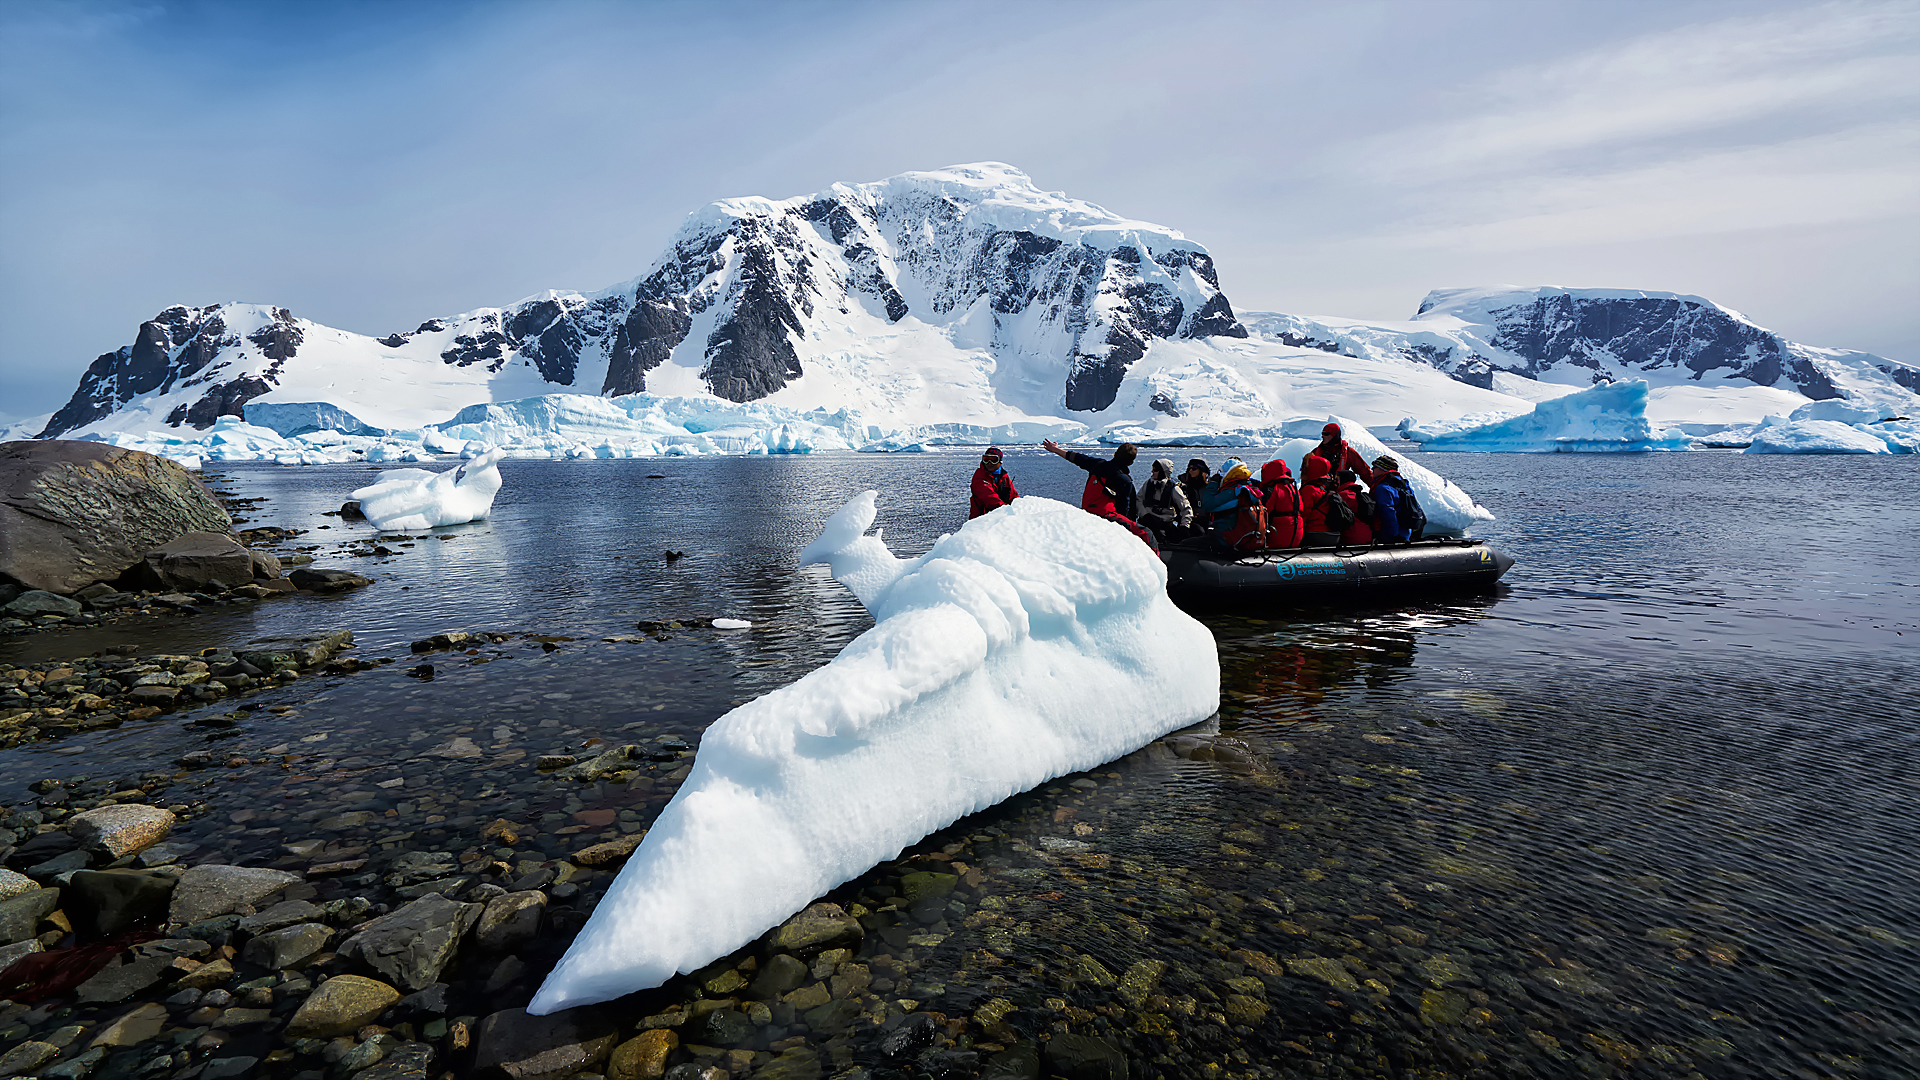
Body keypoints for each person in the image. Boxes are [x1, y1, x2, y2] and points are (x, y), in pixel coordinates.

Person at [1042, 439, 1139, 521]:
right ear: (1131, 462)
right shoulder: (1125, 480)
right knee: (1147, 533)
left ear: (1115, 454)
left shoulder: (1097, 464)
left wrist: (1056, 449)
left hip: (1088, 512)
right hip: (1107, 517)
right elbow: (1125, 508)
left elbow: (1076, 458)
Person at [1200, 458, 1266, 551]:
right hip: (1248, 538)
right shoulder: (1250, 489)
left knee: (1187, 543)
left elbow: (1208, 505)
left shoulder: (1232, 492)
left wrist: (1213, 484)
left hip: (1229, 540)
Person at [1138, 458, 1193, 543]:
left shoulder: (1173, 488)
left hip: (1164, 525)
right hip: (1147, 522)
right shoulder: (1148, 484)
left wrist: (1185, 526)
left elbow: (1186, 508)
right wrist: (1144, 515)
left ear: (1163, 471)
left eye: (1155, 470)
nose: (1152, 472)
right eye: (1152, 469)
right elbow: (1138, 500)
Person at [1303, 422, 1375, 487]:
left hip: (1340, 493)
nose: (1322, 436)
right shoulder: (1316, 452)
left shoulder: (1348, 452)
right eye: (1322, 433)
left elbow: (1364, 472)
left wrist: (1375, 488)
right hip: (1320, 492)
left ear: (1334, 436)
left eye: (1326, 434)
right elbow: (1306, 473)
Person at [1370, 455, 1421, 544]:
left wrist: (1394, 536)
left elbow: (1388, 513)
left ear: (1383, 469)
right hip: (1405, 532)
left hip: (1390, 536)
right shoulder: (1404, 485)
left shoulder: (1383, 488)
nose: (1372, 469)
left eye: (1375, 467)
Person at [1299, 455, 1345, 546]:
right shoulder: (1329, 488)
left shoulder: (1309, 490)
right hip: (1333, 534)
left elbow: (1304, 514)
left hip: (1315, 533)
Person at [1258, 458, 1303, 549]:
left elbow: (1264, 514)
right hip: (1297, 537)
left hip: (1278, 538)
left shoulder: (1271, 489)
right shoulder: (1293, 488)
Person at [969, 447, 1018, 519]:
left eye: (993, 460)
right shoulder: (979, 476)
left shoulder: (1004, 476)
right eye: (986, 460)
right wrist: (1007, 510)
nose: (989, 463)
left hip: (1001, 518)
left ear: (1000, 462)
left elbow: (1013, 496)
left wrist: (1018, 508)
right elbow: (990, 499)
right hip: (981, 521)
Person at [1334, 469, 1374, 546]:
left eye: (1337, 479)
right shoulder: (1360, 495)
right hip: (1368, 536)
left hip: (1351, 537)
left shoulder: (1343, 496)